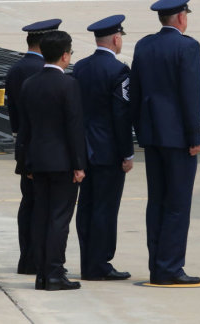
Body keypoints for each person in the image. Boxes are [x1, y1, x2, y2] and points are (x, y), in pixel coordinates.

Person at [129, 0, 200, 286]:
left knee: (157, 201)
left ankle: (157, 264)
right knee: (177, 204)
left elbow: (135, 93)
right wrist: (194, 135)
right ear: (182, 18)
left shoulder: (145, 45)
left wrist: (140, 128)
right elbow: (190, 95)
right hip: (177, 139)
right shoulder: (187, 47)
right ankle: (170, 267)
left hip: (152, 135)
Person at [18, 30, 87, 291]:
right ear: (65, 55)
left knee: (41, 217)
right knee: (59, 219)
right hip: (62, 163)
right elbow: (74, 127)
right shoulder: (68, 85)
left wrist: (25, 164)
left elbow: (25, 129)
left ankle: (42, 274)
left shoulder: (30, 83)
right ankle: (55, 273)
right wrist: (79, 164)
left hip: (37, 161)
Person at [72, 15, 134, 281]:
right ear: (116, 39)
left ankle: (88, 261)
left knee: (85, 207)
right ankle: (100, 264)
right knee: (105, 209)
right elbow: (121, 115)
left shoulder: (80, 67)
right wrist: (127, 152)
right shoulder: (119, 71)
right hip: (108, 151)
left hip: (83, 149)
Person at [6, 18, 61, 276]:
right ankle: (41, 260)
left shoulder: (16, 69)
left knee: (28, 203)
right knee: (45, 207)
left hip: (23, 144)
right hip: (44, 147)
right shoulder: (44, 71)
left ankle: (27, 258)